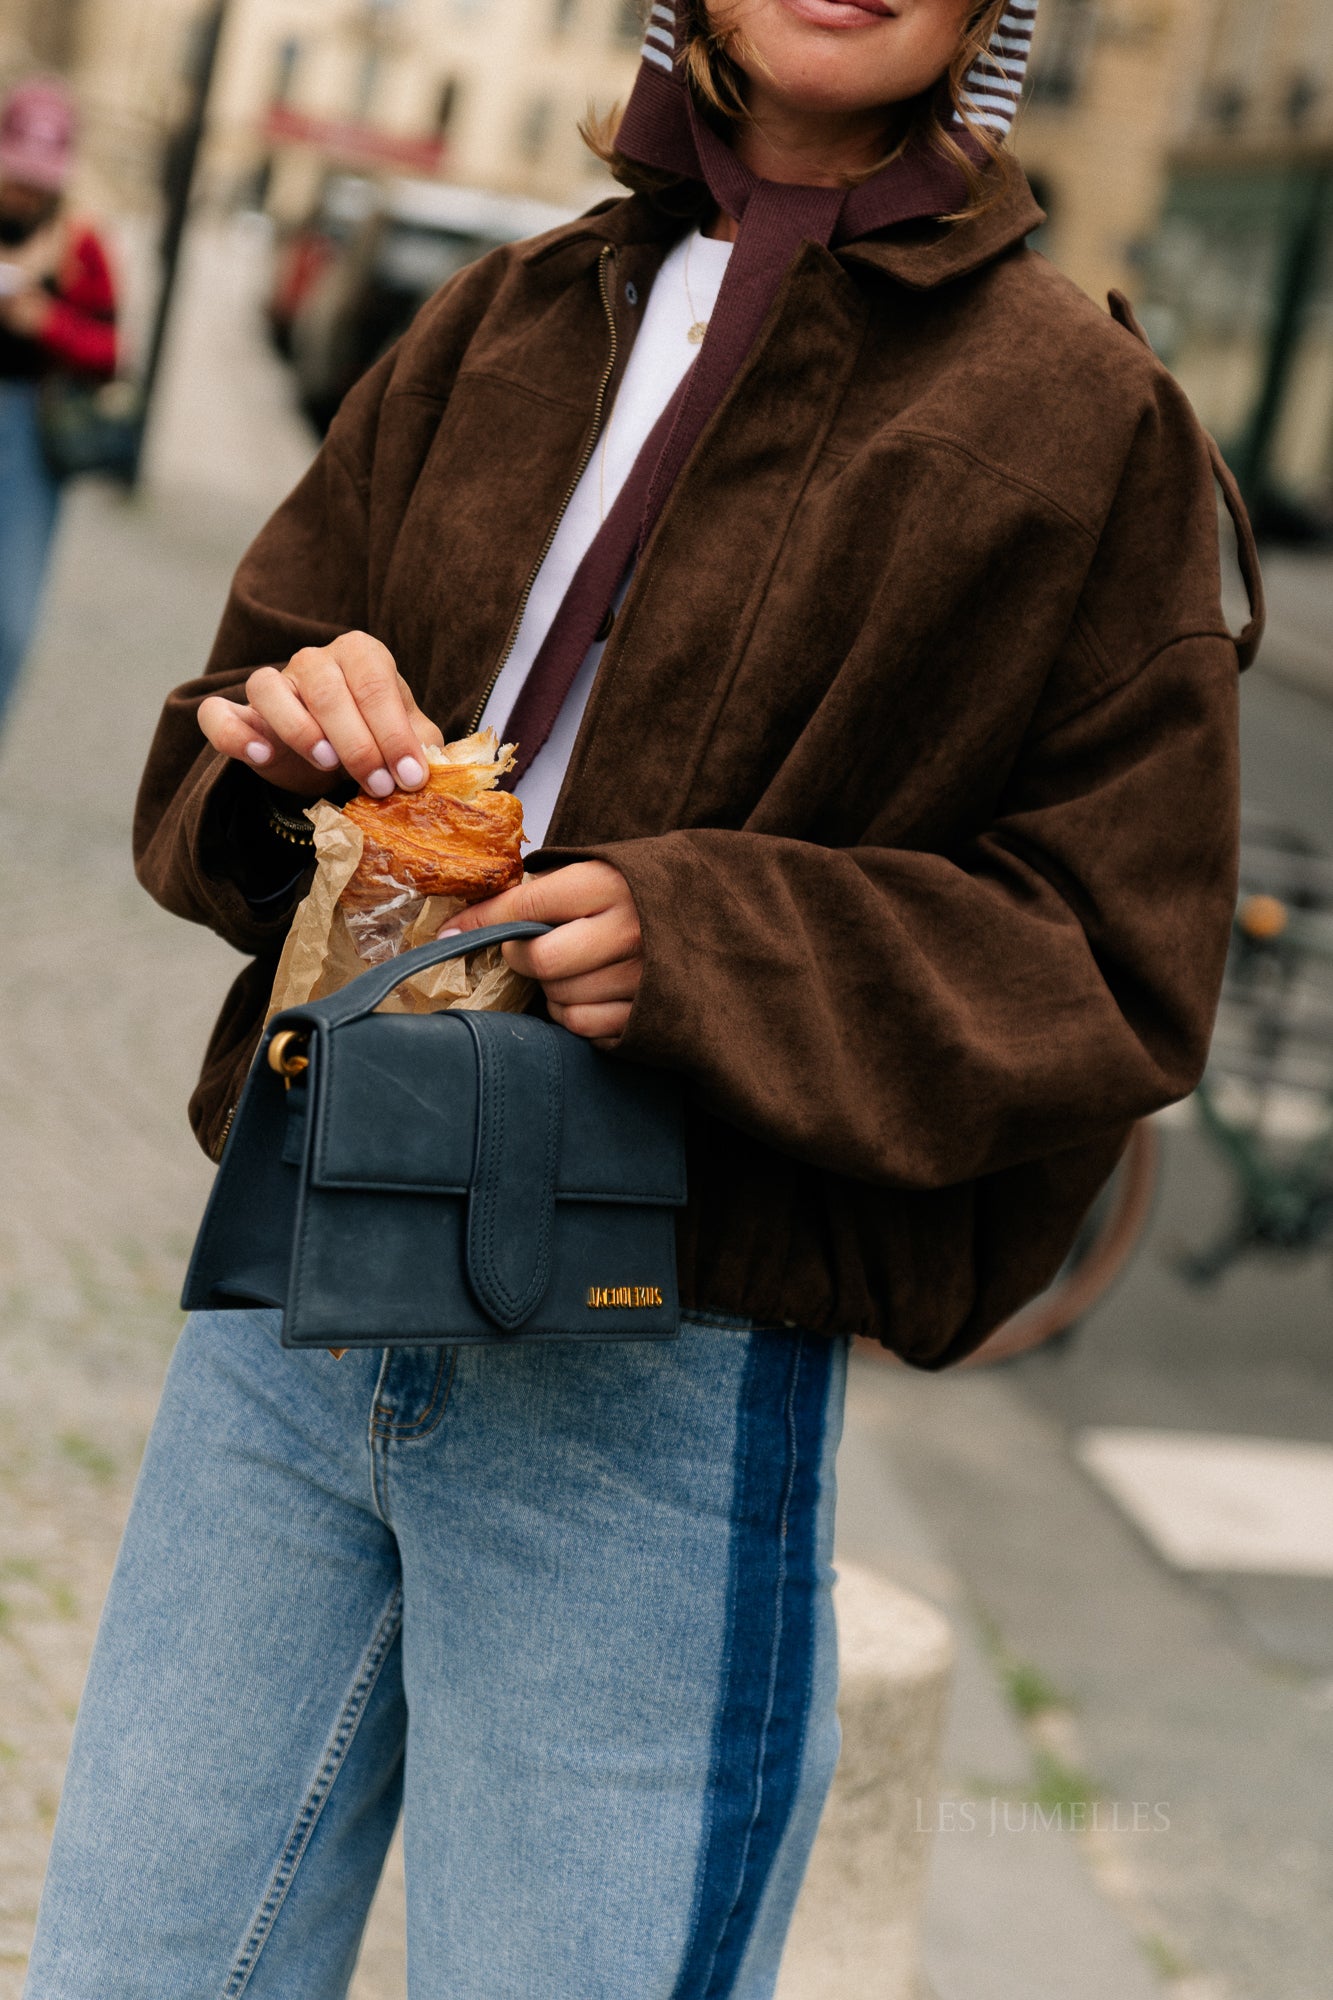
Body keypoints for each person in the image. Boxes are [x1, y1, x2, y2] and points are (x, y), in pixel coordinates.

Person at [26, 2, 1256, 1995]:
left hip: (665, 1346)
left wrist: (715, 941)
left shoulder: (1080, 418)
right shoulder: (504, 316)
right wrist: (286, 757)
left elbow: (1114, 964)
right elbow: (210, 746)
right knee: (136, 1968)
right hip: (299, 1293)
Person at [0, 75, 117, 732]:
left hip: (30, 438)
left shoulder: (79, 244)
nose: (27, 189)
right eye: (18, 172)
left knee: (8, 619)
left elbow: (109, 353)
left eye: (38, 176)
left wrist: (43, 320)